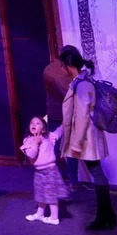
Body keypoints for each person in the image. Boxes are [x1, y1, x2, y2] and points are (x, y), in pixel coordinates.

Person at [59, 48, 117, 231]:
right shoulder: (81, 82)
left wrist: (76, 144)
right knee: (98, 174)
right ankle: (108, 215)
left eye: (62, 65)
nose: (61, 69)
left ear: (69, 65)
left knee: (97, 174)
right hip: (88, 137)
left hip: (86, 139)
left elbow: (82, 116)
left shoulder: (82, 85)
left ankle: (104, 217)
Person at [20, 116, 69, 225]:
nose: (34, 124)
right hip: (39, 172)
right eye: (32, 123)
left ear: (43, 129)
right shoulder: (28, 140)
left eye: (38, 123)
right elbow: (31, 155)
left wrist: (65, 121)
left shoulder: (48, 137)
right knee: (41, 194)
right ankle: (40, 214)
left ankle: (54, 217)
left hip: (51, 171)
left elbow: (59, 131)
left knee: (51, 194)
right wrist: (35, 143)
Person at [43, 48, 79, 183]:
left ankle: (54, 177)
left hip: (54, 112)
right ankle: (73, 179)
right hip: (70, 114)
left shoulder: (48, 69)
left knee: (53, 146)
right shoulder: (72, 70)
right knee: (71, 148)